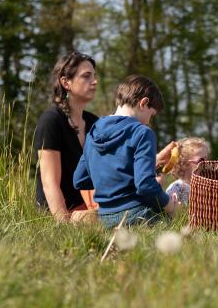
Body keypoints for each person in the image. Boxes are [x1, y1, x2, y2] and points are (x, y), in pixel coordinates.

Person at [73, 75, 179, 227]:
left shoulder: (93, 132)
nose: (149, 122)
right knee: (181, 227)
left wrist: (109, 179)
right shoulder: (142, 132)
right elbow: (145, 185)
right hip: (137, 214)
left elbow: (79, 179)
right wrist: (171, 206)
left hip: (105, 218)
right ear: (144, 103)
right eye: (152, 115)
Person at [34, 51, 99, 222]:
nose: (94, 81)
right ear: (66, 82)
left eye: (94, 75)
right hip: (57, 216)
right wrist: (64, 228)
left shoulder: (95, 123)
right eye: (86, 76)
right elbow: (50, 183)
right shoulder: (52, 121)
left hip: (88, 211)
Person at [165, 137, 211, 205]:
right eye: (201, 160)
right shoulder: (176, 188)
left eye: (207, 159)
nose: (206, 163)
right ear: (185, 163)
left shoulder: (207, 185)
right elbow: (171, 212)